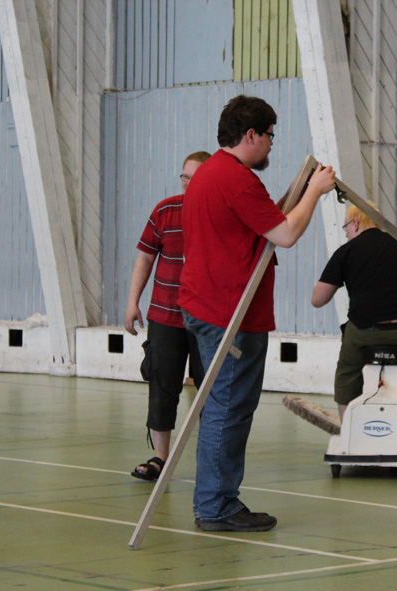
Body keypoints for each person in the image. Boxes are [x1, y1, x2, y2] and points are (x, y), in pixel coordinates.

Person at [178, 95, 336, 532]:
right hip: (228, 312)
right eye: (269, 136)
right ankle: (215, 505)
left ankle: (217, 500)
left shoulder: (211, 174)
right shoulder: (236, 180)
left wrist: (299, 190)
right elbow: (285, 233)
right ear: (250, 135)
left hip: (209, 305)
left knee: (222, 406)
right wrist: (316, 193)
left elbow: (266, 220)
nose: (270, 144)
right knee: (228, 408)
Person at [124, 151, 211, 482]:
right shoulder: (164, 210)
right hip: (164, 317)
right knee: (162, 386)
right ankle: (160, 457)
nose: (187, 184)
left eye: (195, 178)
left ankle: (210, 459)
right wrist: (132, 302)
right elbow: (145, 258)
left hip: (206, 320)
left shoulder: (218, 213)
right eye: (184, 177)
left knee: (210, 390)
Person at [311, 204, 397, 420]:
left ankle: (347, 429)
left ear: (355, 223)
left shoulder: (345, 251)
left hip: (365, 332)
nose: (345, 234)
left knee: (347, 371)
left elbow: (318, 300)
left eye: (345, 228)